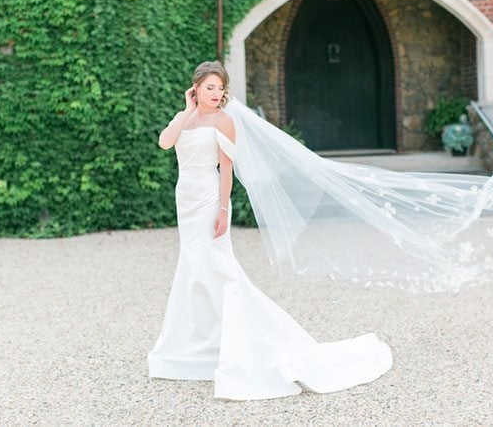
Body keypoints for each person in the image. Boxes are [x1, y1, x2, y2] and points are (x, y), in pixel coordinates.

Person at [147, 60, 393, 401]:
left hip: (207, 199)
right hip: (184, 199)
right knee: (193, 266)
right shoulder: (187, 118)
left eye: (220, 88)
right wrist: (186, 110)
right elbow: (164, 142)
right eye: (209, 88)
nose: (216, 94)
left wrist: (222, 209)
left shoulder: (225, 121)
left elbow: (226, 171)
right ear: (196, 89)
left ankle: (248, 346)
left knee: (220, 269)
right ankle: (199, 348)